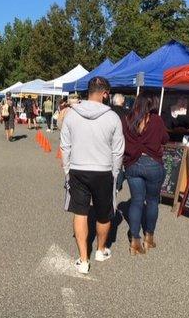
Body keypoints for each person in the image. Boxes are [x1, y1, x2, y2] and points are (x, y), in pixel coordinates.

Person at [60, 77, 124, 275]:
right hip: (103, 170)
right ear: (105, 93)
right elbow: (118, 151)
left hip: (78, 169)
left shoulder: (71, 114)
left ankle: (83, 259)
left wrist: (67, 170)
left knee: (80, 213)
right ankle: (101, 250)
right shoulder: (112, 117)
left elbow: (65, 146)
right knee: (104, 213)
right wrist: (114, 173)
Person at [123, 92, 168, 255]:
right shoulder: (157, 120)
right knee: (153, 201)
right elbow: (164, 138)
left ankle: (134, 240)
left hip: (133, 163)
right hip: (152, 164)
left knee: (136, 201)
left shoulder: (127, 118)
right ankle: (148, 237)